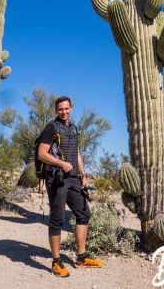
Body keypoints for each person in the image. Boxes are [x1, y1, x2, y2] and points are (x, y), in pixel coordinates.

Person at [37, 95, 105, 277]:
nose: (64, 112)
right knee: (57, 218)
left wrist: (83, 175)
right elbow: (41, 154)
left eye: (66, 108)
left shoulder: (73, 128)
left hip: (74, 178)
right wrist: (60, 164)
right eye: (60, 109)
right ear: (56, 110)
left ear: (71, 108)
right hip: (57, 178)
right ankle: (56, 262)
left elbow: (77, 153)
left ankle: (81, 257)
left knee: (83, 213)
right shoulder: (52, 127)